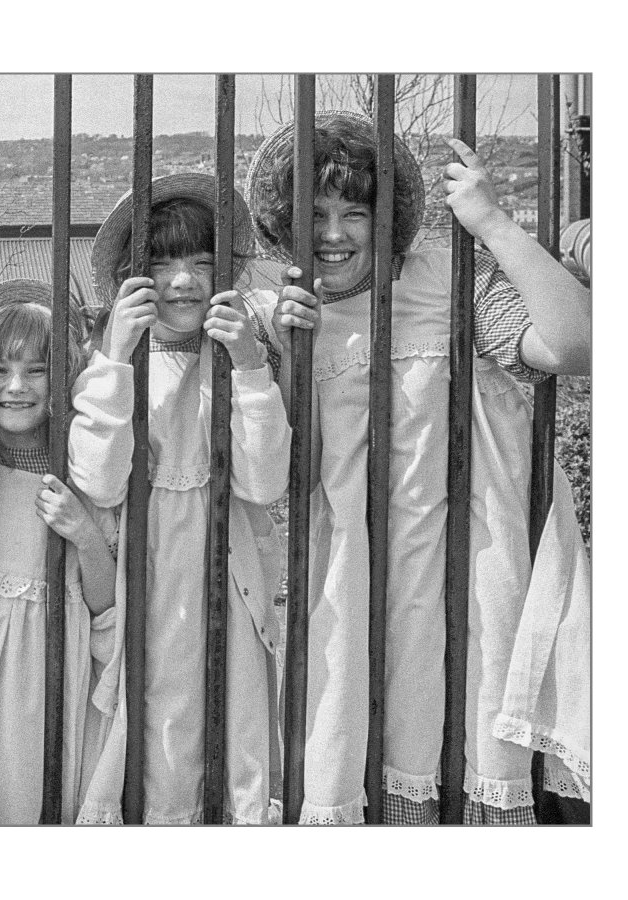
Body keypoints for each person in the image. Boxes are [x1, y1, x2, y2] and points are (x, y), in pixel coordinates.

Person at [246, 110, 591, 824]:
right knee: (361, 751)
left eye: (356, 212)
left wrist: (493, 224)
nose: (335, 233)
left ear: (388, 217)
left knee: (476, 740)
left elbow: (578, 346)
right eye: (315, 214)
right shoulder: (275, 314)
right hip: (354, 580)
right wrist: (286, 356)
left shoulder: (445, 279)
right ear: (284, 224)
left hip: (476, 564)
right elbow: (284, 477)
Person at [69, 173, 292, 824]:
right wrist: (114, 357)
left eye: (201, 263)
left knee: (234, 759)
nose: (183, 281)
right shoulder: (111, 363)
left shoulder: (237, 357)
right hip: (147, 594)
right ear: (133, 280)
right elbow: (100, 481)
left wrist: (250, 365)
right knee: (159, 759)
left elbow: (264, 481)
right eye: (163, 264)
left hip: (227, 592)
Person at [0, 280, 124, 824]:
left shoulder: (81, 469)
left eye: (35, 370)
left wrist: (82, 532)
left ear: (62, 377)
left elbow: (104, 603)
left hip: (55, 671)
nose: (16, 387)